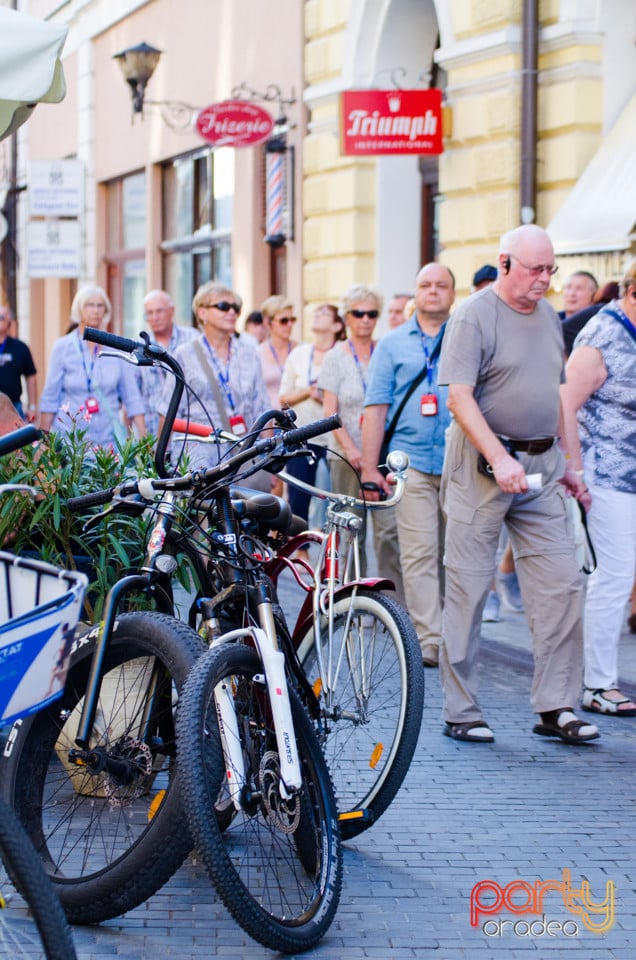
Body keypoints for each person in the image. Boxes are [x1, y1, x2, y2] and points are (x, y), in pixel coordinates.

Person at [437, 224, 598, 745]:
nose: (545, 280)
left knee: (562, 584)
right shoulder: (473, 314)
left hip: (542, 467)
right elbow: (459, 397)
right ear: (504, 264)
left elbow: (556, 394)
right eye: (535, 270)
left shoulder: (549, 315)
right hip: (483, 469)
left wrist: (569, 463)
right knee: (467, 587)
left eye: (550, 269)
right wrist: (498, 456)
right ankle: (461, 709)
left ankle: (556, 706)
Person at [361, 263, 454, 666]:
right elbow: (376, 408)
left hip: (458, 464)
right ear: (416, 293)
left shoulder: (467, 337)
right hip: (409, 464)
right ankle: (429, 639)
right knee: (418, 553)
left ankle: (453, 631)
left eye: (441, 285)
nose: (433, 291)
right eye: (425, 285)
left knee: (455, 553)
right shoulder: (393, 344)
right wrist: (369, 467)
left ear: (452, 292)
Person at [560, 257, 636, 717]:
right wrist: (577, 469)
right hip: (607, 475)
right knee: (615, 575)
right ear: (632, 292)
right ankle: (597, 684)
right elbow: (565, 402)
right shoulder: (602, 334)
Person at [319, 285, 404, 604]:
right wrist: (352, 450)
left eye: (372, 314)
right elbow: (330, 412)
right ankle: (355, 599)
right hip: (345, 457)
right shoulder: (335, 357)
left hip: (382, 454)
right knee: (352, 529)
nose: (366, 320)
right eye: (359, 313)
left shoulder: (386, 351)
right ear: (347, 317)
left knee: (388, 532)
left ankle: (391, 602)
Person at [157, 281, 269, 478]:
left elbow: (262, 407)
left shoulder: (249, 354)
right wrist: (159, 460)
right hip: (199, 458)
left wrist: (269, 459)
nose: (232, 313)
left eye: (236, 308)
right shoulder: (185, 355)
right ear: (202, 313)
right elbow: (168, 412)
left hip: (242, 454)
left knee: (243, 508)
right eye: (223, 306)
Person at [39, 285, 146, 446]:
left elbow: (131, 396)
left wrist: (145, 440)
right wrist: (44, 440)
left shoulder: (116, 346)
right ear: (79, 309)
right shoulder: (63, 347)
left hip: (108, 440)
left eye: (100, 305)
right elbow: (50, 396)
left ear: (106, 311)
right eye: (89, 305)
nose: (95, 310)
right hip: (72, 440)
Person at [279, 303, 346, 525]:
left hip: (336, 439)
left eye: (324, 313)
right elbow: (284, 398)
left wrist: (328, 394)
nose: (317, 315)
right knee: (298, 496)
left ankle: (333, 545)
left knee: (337, 497)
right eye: (316, 312)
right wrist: (309, 391)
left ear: (337, 325)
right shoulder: (299, 354)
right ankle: (301, 550)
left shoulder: (343, 353)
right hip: (302, 435)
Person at [137, 289, 197, 436]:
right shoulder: (138, 346)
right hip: (151, 433)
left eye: (159, 311)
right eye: (149, 313)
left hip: (186, 433)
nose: (155, 317)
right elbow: (134, 396)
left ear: (172, 311)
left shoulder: (192, 339)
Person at [257, 296, 298, 409]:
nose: (289, 325)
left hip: (299, 420)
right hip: (269, 420)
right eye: (284, 321)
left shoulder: (301, 351)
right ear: (268, 322)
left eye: (292, 320)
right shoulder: (257, 354)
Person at [561, 281, 620, 357]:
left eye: (579, 289)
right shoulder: (600, 310)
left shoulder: (601, 312)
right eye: (568, 288)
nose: (572, 294)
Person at [0, 304, 37, 421]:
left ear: (9, 322)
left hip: (14, 408)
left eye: (1, 317)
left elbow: (31, 377)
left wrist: (32, 406)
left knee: (15, 439)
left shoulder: (20, 347)